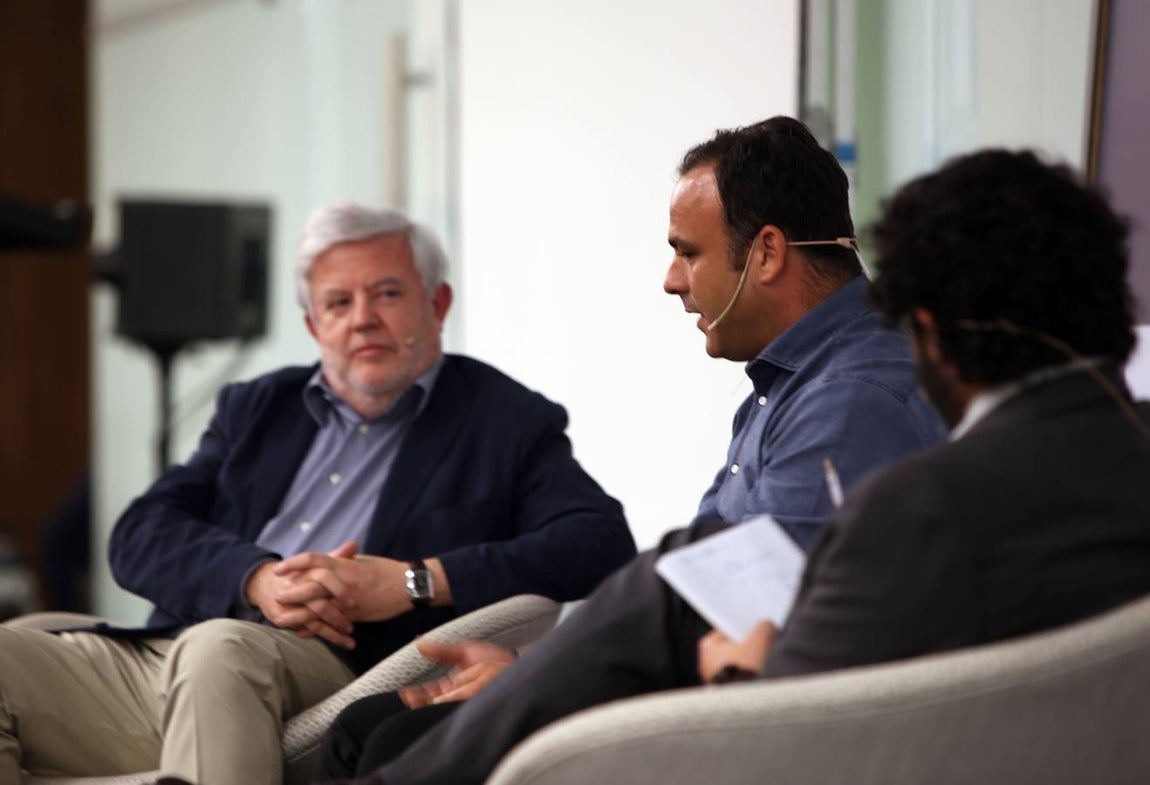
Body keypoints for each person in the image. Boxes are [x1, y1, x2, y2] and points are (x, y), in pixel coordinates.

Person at [345, 147, 1150, 785]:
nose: (670, 280)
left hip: (801, 745)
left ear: (929, 326)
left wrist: (744, 663)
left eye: (685, 253)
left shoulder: (917, 495)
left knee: (666, 580)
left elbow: (784, 717)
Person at [314, 116, 949, 781]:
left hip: (716, 723)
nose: (671, 280)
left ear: (765, 254)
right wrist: (537, 673)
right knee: (370, 728)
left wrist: (543, 687)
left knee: (388, 744)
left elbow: (742, 622)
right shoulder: (800, 379)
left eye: (688, 252)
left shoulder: (850, 400)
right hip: (676, 687)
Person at [0, 203, 638, 785]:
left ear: (437, 304)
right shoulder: (258, 405)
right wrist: (256, 580)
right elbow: (140, 531)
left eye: (387, 294)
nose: (362, 318)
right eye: (338, 302)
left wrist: (414, 581)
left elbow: (599, 543)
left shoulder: (503, 420)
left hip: (324, 665)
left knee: (220, 649)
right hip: (170, 657)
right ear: (313, 324)